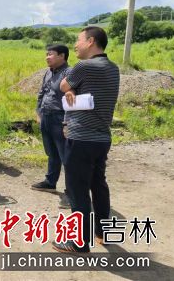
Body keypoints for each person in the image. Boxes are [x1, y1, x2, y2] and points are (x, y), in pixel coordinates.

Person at [53, 26, 120, 254]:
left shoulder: (84, 66)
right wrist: (74, 91)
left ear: (91, 41)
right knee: (98, 185)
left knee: (77, 190)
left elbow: (62, 85)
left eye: (78, 40)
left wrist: (71, 90)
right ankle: (103, 232)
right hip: (101, 138)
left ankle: (79, 243)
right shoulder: (113, 68)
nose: (75, 45)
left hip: (81, 138)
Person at [31, 44, 71, 209]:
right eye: (46, 54)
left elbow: (72, 98)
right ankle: (50, 182)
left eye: (51, 54)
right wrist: (38, 112)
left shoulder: (69, 73)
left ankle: (72, 193)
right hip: (46, 116)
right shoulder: (48, 72)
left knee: (67, 157)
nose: (47, 57)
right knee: (52, 153)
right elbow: (42, 93)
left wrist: (67, 122)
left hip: (60, 118)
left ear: (62, 56)